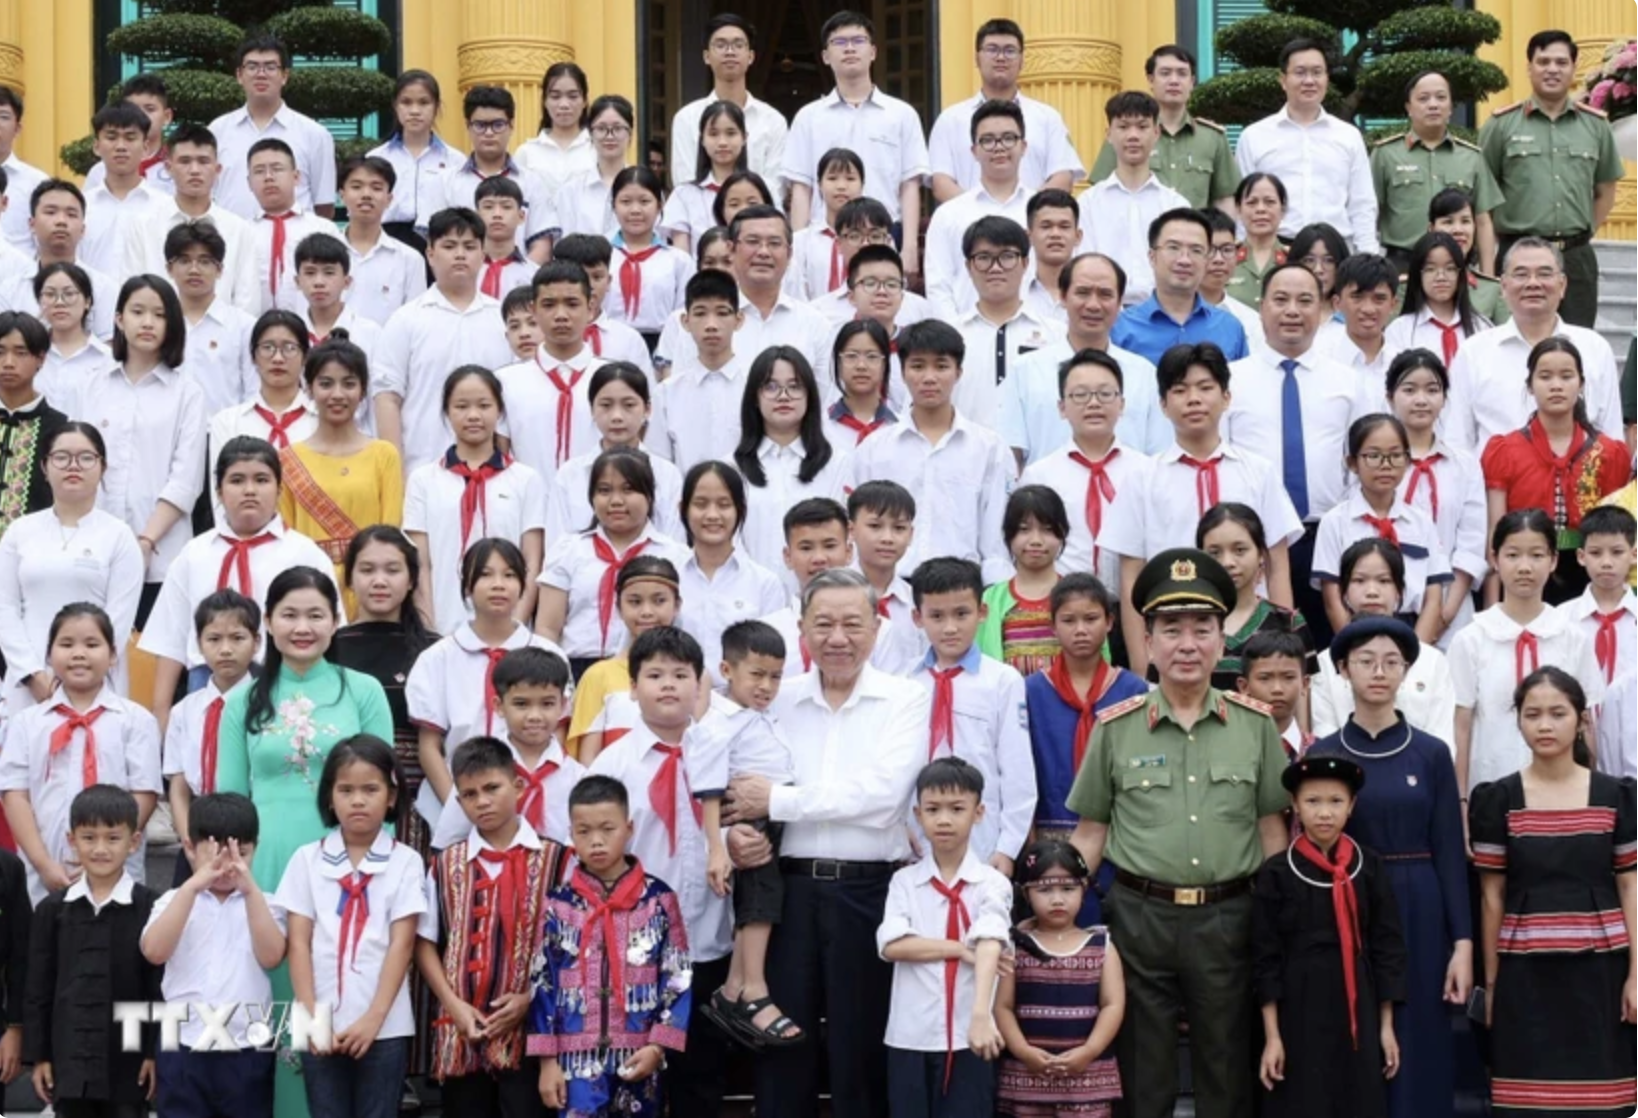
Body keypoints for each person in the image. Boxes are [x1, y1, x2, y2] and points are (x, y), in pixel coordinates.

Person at [1066, 548, 1291, 1118]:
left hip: (1229, 919)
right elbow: (1091, 833)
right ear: (1148, 638)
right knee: (1145, 1073)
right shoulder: (1116, 730)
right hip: (1140, 920)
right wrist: (1058, 909)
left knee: (1226, 1069)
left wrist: (1284, 919)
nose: (1187, 644)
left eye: (1202, 628)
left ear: (1222, 640)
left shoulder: (1255, 726)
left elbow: (1271, 832)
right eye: (1171, 629)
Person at [722, 567, 930, 1116]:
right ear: (802, 629)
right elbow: (736, 784)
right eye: (824, 624)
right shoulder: (775, 698)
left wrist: (780, 801)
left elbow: (883, 797)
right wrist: (735, 831)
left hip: (869, 893)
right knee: (780, 1043)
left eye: (852, 624)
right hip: (784, 895)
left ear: (878, 626)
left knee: (860, 1046)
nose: (838, 638)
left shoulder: (905, 699)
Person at [211, 569, 396, 1118]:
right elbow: (228, 800)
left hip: (342, 870)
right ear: (268, 621)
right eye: (289, 614)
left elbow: (385, 791)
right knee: (272, 1006)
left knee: (331, 998)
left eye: (316, 614)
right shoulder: (243, 700)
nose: (302, 626)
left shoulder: (361, 691)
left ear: (336, 621)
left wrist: (370, 872)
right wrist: (233, 873)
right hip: (265, 868)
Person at [1307, 617, 1473, 1118]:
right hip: (1347, 902)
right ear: (1342, 670)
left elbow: (1448, 849)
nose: (1378, 672)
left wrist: (1462, 943)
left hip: (1419, 901)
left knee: (1420, 1031)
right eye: (1364, 661)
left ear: (1406, 672)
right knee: (1353, 1031)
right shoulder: (1324, 753)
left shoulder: (1431, 754)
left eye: (1391, 662)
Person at [1470, 666, 1637, 1115]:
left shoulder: (1616, 796)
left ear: (1581, 719)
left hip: (1601, 974)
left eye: (1558, 713)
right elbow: (1492, 898)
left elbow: (1629, 885)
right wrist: (1491, 985)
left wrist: (1637, 975)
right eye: (1532, 714)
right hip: (1525, 976)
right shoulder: (1497, 800)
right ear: (1518, 721)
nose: (1544, 725)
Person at [578, 625, 729, 1116]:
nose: (669, 685)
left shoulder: (722, 750)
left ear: (700, 683)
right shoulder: (614, 764)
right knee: (629, 1080)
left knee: (700, 1077)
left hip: (709, 938)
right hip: (635, 952)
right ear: (632, 687)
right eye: (655, 674)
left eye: (681, 674)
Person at [1100, 343, 1303, 678]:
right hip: (1175, 635)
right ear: (1163, 405)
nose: (1193, 399)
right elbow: (1131, 577)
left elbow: (1278, 565)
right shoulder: (1142, 479)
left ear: (1226, 397)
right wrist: (1141, 663)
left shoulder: (1257, 471)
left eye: (1205, 388)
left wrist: (1284, 647)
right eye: (1179, 390)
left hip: (1253, 638)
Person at [1226, 263, 1381, 647]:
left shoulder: (1348, 382)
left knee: (1334, 649)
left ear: (1324, 309)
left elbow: (1366, 459)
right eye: (1280, 300)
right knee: (1262, 652)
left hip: (1327, 535)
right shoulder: (1231, 380)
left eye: (1304, 301)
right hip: (1255, 542)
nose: (1292, 311)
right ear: (1262, 308)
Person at [416, 735, 572, 1118]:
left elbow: (570, 948)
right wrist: (453, 1006)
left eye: (491, 788)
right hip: (462, 1032)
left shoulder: (557, 859)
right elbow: (425, 944)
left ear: (518, 786)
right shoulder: (445, 864)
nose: (482, 801)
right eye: (469, 794)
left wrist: (529, 1000)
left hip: (532, 1034)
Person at [273, 735, 426, 1118]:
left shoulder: (405, 862)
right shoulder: (307, 860)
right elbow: (299, 943)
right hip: (319, 1021)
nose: (358, 800)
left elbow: (401, 946)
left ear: (391, 797)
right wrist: (311, 1015)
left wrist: (374, 1018)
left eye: (370, 789)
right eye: (346, 789)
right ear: (329, 797)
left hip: (385, 1026)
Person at [140, 437, 336, 723]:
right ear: (218, 491)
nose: (249, 490)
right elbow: (172, 640)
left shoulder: (305, 554)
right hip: (205, 683)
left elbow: (329, 634)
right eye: (236, 480)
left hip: (286, 680)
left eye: (261, 480)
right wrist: (161, 713)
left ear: (279, 488)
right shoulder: (194, 554)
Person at [529, 773, 692, 1117]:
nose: (597, 842)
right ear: (571, 834)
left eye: (608, 828)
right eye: (584, 831)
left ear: (629, 828)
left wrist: (658, 1045)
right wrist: (547, 1060)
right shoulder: (559, 903)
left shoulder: (658, 899)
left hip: (639, 1054)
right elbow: (542, 982)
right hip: (575, 1061)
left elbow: (678, 976)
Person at [1253, 754, 1407, 1117]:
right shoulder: (1277, 873)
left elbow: (1388, 947)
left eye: (1336, 801)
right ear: (1294, 805)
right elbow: (1265, 957)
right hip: (1298, 1007)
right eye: (1312, 801)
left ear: (1352, 806)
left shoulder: (1368, 866)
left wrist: (1385, 1027)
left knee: (1358, 1098)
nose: (1325, 813)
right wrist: (1272, 1037)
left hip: (1358, 1005)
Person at [64, 275, 205, 630]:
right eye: (137, 311)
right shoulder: (89, 386)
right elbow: (74, 465)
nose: (147, 322)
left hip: (162, 555)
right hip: (91, 549)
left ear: (171, 324)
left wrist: (145, 541)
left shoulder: (187, 393)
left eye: (159, 314)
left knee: (150, 662)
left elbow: (185, 479)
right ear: (118, 318)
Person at [685, 619, 800, 1048]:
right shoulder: (718, 721)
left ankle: (732, 989)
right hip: (745, 822)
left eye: (775, 676)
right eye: (757, 674)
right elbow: (709, 788)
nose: (767, 685)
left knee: (764, 900)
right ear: (726, 670)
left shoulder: (763, 715)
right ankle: (752, 988)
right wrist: (718, 848)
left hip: (773, 813)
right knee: (760, 902)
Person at [0, 603, 162, 902]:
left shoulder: (136, 720)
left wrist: (105, 854)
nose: (78, 653)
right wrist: (43, 864)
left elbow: (145, 793)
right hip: (44, 873)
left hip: (117, 874)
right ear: (48, 655)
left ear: (113, 655)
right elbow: (15, 795)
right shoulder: (27, 723)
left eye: (92, 644)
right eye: (66, 644)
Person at [877, 757, 1011, 1114]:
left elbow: (989, 941)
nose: (944, 819)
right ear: (918, 814)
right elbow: (893, 946)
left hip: (972, 1034)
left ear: (978, 812)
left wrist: (980, 1015)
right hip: (910, 1034)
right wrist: (957, 948)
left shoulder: (992, 883)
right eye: (933, 809)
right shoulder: (904, 881)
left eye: (957, 808)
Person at [140, 792, 285, 1118]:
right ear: (189, 848)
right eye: (215, 858)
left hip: (246, 1049)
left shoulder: (267, 904)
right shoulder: (172, 901)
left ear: (254, 850)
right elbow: (154, 952)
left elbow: (272, 956)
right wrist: (192, 887)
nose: (228, 868)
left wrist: (250, 891)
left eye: (241, 855)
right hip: (184, 1047)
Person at [21, 785, 161, 1115]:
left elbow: (159, 986)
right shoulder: (52, 911)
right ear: (72, 840)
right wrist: (39, 1055)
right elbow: (37, 989)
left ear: (134, 842)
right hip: (68, 1065)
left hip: (128, 1065)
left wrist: (155, 1053)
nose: (100, 849)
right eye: (89, 837)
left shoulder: (151, 908)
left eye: (113, 838)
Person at [409, 536, 563, 833]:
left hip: (534, 804)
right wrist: (459, 806)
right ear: (467, 585)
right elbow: (429, 746)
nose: (498, 584)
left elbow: (556, 735)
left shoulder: (549, 654)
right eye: (485, 575)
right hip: (460, 804)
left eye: (509, 575)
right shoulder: (437, 658)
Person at [845, 320, 1013, 583]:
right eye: (918, 365)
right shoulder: (874, 449)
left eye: (941, 366)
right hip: (891, 584)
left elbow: (995, 540)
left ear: (959, 372)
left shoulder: (989, 448)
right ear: (902, 371)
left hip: (961, 587)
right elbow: (857, 529)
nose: (929, 377)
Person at [1453, 509, 1603, 798]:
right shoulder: (1471, 639)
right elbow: (1461, 727)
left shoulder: (1573, 637)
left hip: (1564, 794)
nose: (1525, 567)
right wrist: (1460, 801)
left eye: (1536, 555)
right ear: (1494, 560)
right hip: (1490, 789)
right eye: (1513, 555)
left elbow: (1588, 724)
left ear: (1554, 560)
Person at [1481, 30, 1624, 330]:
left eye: (1561, 62)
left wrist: (1578, 234)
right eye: (1543, 61)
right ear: (1529, 67)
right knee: (1514, 343)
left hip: (1574, 258)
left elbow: (1605, 192)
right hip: (1516, 254)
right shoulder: (1501, 124)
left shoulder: (1596, 126)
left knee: (1576, 343)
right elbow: (1484, 196)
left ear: (1573, 68)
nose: (1552, 69)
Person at [908, 558, 1035, 876]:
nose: (950, 627)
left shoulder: (1003, 681)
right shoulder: (904, 682)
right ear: (917, 618)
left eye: (961, 614)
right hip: (915, 845)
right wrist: (901, 834)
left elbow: (1017, 770)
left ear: (982, 612)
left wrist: (1007, 848)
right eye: (936, 616)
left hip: (983, 842)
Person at [1481, 336, 1633, 604]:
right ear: (1529, 385)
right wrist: (1494, 606)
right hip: (1525, 572)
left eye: (1566, 376)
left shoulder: (1609, 453)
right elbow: (1496, 531)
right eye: (1545, 377)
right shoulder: (1504, 450)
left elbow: (1617, 527)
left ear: (1581, 384)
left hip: (1592, 576)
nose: (1556, 386)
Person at [403, 366, 547, 635]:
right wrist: (430, 627)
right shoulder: (423, 480)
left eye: (484, 405)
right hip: (443, 625)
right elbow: (420, 562)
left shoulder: (526, 479)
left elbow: (531, 560)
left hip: (509, 628)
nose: (473, 416)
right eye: (461, 406)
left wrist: (514, 626)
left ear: (499, 411)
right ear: (446, 412)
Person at [783, 9, 927, 276]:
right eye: (839, 42)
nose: (849, 49)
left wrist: (908, 247)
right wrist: (799, 248)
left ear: (873, 52)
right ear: (826, 56)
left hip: (883, 235)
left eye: (858, 41)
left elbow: (910, 185)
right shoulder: (808, 117)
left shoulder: (901, 114)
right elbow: (801, 188)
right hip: (823, 239)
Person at [1447, 238, 1624, 454]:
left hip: (1579, 484)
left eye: (1544, 274)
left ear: (1563, 285)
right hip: (1494, 486)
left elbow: (1612, 439)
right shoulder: (1474, 352)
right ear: (1503, 286)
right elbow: (1458, 440)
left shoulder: (1595, 349)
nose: (1533, 283)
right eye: (1521, 274)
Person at [373, 207, 513, 474]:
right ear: (430, 253)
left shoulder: (502, 320)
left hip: (493, 472)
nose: (460, 254)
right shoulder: (406, 320)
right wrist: (395, 474)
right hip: (421, 468)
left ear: (483, 254)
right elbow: (387, 399)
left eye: (469, 246)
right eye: (449, 245)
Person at [994, 840, 1126, 1117]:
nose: (1057, 899)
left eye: (1068, 889)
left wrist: (1089, 1051)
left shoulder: (1101, 945)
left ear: (1084, 889)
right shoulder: (1014, 945)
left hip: (1087, 1078)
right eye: (1044, 889)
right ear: (1027, 894)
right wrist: (1023, 1051)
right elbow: (1002, 1006)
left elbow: (1113, 1004)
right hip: (1027, 1076)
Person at [1001, 252, 1168, 467]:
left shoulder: (1144, 374)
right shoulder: (1025, 371)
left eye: (1105, 294)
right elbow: (1011, 456)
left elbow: (1158, 456)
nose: (1093, 305)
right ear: (1063, 296)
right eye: (1082, 292)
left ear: (1120, 303)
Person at [331, 527, 439, 854]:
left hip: (420, 793)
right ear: (349, 579)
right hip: (348, 788)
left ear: (411, 580)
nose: (380, 581)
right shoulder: (328, 649)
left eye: (392, 570)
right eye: (367, 570)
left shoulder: (436, 651)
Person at [534, 449, 689, 674]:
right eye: (604, 491)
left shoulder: (675, 555)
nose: (616, 501)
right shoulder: (569, 550)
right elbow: (547, 628)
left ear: (649, 495)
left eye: (628, 489)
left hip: (651, 669)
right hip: (577, 669)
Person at [277, 333, 401, 595]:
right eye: (325, 384)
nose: (337, 394)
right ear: (309, 388)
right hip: (310, 591)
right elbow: (285, 542)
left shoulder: (384, 455)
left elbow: (392, 533)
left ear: (363, 390)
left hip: (372, 590)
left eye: (348, 383)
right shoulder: (288, 460)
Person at [1019, 349, 1149, 596]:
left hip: (1134, 602)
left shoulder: (1146, 471)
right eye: (1080, 395)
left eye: (1105, 393)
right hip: (1064, 604)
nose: (1093, 403)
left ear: (1122, 404)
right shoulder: (1040, 476)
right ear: (1062, 407)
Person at [1314, 414, 1451, 642]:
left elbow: (1433, 598)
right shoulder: (1335, 522)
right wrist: (1355, 648)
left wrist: (1415, 653)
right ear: (1352, 463)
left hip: (1411, 629)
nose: (1386, 465)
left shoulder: (1421, 521)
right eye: (1374, 456)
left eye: (1396, 455)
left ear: (1408, 461)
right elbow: (1332, 599)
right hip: (1354, 630)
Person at [1236, 39, 1380, 254]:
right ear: (1283, 80)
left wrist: (1368, 256)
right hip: (1277, 251)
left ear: (1326, 79)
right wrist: (1242, 253)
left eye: (1317, 72)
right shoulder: (1254, 137)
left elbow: (1362, 203)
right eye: (1300, 72)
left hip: (1336, 251)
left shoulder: (1348, 136)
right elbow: (1241, 204)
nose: (1309, 80)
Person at [1310, 538, 1459, 746]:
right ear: (1344, 592)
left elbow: (1442, 741)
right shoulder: (1325, 663)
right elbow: (1324, 735)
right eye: (1359, 581)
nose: (1372, 591)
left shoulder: (1432, 661)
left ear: (1399, 591)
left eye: (1384, 581)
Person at [657, 206, 832, 380]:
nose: (763, 252)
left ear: (789, 253)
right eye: (752, 241)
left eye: (774, 243)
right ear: (731, 249)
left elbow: (824, 400)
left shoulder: (815, 325)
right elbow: (682, 395)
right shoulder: (701, 323)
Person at [1387, 349, 1487, 644]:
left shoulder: (1464, 463)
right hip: (1386, 599)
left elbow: (1471, 541)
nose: (1421, 399)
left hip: (1451, 604)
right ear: (1390, 395)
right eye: (1409, 389)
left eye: (1432, 390)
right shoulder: (1376, 459)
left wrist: (1445, 613)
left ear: (1444, 398)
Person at [159, 589, 259, 869]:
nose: (225, 649)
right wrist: (189, 843)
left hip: (251, 823)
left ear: (257, 642)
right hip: (199, 827)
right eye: (214, 639)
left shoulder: (269, 705)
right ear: (199, 644)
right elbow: (178, 788)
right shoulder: (184, 711)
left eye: (238, 638)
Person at [928, 19, 1080, 202]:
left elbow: (1062, 177)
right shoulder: (950, 119)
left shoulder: (1048, 117)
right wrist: (976, 215)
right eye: (992, 49)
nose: (1001, 58)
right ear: (977, 58)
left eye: (1010, 51)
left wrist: (1027, 213)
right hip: (970, 227)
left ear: (1022, 60)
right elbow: (941, 182)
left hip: (1029, 226)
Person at [1371, 69, 1502, 274]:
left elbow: (1483, 221)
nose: (1433, 104)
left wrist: (1488, 276)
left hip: (1458, 267)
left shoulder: (1472, 157)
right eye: (1423, 98)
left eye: (1441, 97)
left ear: (1451, 107)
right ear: (1409, 107)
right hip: (1402, 266)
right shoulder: (1385, 155)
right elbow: (1370, 214)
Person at [120, 123, 260, 314]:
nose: (194, 170)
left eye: (203, 161)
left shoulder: (239, 230)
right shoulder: (143, 226)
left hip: (223, 340)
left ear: (217, 169)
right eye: (185, 161)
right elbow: (132, 295)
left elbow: (247, 304)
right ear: (168, 168)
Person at [735, 347, 849, 572]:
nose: (783, 396)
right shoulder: (731, 467)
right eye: (771, 387)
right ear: (754, 398)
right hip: (750, 597)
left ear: (810, 396)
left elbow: (842, 537)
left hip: (821, 591)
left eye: (795, 386)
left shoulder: (837, 464)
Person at [492, 261, 603, 487]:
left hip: (597, 513)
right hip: (529, 513)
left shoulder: (610, 378)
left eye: (572, 304)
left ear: (590, 308)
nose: (561, 315)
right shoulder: (505, 382)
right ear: (534, 309)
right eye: (549, 304)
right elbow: (499, 458)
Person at [951, 216, 1067, 431]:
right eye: (983, 257)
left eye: (1007, 256)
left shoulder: (1057, 335)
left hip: (1036, 459)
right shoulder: (950, 336)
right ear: (968, 266)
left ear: (1025, 263)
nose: (995, 268)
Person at [566, 556, 684, 763]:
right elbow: (587, 762)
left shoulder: (694, 673)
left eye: (659, 601)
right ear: (619, 607)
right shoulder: (598, 675)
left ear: (677, 605)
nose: (647, 612)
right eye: (635, 602)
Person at [550, 362, 682, 544]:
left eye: (629, 405)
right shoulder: (570, 474)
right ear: (592, 409)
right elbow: (557, 548)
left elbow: (675, 543)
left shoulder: (667, 474)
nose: (617, 416)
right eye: (606, 405)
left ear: (647, 409)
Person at [208, 33, 335, 221]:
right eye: (252, 66)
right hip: (232, 244)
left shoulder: (314, 134)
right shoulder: (217, 131)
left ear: (284, 76)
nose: (261, 74)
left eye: (270, 67)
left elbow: (324, 206)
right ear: (239, 75)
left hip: (296, 246)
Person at [1078, 93, 1189, 307]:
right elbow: (1084, 264)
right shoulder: (1088, 203)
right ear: (1108, 134)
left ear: (1156, 133)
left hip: (1162, 312)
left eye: (1142, 126)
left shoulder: (1176, 205)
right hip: (1104, 311)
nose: (1133, 136)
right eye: (1123, 127)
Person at [924, 102, 1033, 317]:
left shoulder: (1042, 212)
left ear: (1023, 146)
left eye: (1009, 138)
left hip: (1035, 337)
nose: (999, 147)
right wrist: (956, 339)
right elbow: (938, 288)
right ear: (974, 151)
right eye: (988, 140)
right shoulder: (949, 214)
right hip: (966, 337)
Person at [1197, 502, 1317, 696]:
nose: (1228, 562)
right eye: (1214, 553)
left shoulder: (1289, 623)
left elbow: (1301, 704)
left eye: (1240, 550)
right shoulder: (1184, 622)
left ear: (1261, 554)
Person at [677, 461, 787, 674]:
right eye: (700, 504)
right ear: (683, 509)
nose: (712, 515)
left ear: (740, 510)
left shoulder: (764, 583)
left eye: (724, 504)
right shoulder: (670, 577)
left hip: (742, 702)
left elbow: (772, 659)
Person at [1109, 206, 1251, 367]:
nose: (1184, 260)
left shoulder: (1230, 327)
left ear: (1206, 259)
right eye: (1173, 248)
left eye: (1196, 250)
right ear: (1152, 256)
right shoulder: (1121, 327)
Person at [669, 15, 788, 194]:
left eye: (738, 45)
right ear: (706, 56)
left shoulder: (773, 120)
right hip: (701, 220)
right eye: (721, 45)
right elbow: (684, 183)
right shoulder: (687, 118)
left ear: (751, 56)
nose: (730, 52)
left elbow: (776, 187)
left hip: (757, 218)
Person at [647, 269, 747, 471]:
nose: (711, 325)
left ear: (739, 320)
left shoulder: (756, 388)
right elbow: (659, 467)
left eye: (722, 313)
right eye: (700, 313)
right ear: (685, 322)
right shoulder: (667, 394)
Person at [440, 87, 554, 260]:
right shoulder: (445, 181)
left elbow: (542, 244)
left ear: (511, 126)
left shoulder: (532, 182)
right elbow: (434, 241)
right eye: (480, 125)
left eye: (498, 125)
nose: (489, 133)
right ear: (467, 126)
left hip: (521, 284)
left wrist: (518, 280)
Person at [160, 222, 259, 418]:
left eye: (205, 261)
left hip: (224, 436)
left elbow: (254, 392)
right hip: (166, 435)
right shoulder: (158, 323)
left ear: (220, 269)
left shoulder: (243, 326)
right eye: (184, 260)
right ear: (170, 268)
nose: (194, 270)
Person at [240, 138, 343, 316]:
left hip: (310, 330)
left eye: (277, 169)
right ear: (249, 182)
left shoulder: (324, 230)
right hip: (253, 331)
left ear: (296, 177)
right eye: (259, 171)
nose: (268, 177)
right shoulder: (241, 232)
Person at [206, 310, 314, 477]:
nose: (278, 358)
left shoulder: (324, 421)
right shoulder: (227, 423)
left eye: (289, 348)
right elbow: (220, 496)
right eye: (267, 347)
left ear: (305, 357)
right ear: (253, 356)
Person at [756, 496, 854, 677]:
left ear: (848, 552)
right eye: (806, 548)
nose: (819, 558)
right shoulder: (766, 632)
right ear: (787, 556)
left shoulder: (875, 629)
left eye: (829, 546)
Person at [367, 70, 465, 249]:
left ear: (436, 107)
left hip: (438, 242)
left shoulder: (455, 160)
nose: (414, 111)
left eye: (424, 103)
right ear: (395, 106)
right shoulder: (376, 158)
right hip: (386, 241)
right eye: (406, 102)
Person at [8, 180, 118, 339]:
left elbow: (108, 350)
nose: (61, 221)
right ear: (31, 224)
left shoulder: (104, 289)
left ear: (83, 229)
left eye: (71, 214)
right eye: (51, 212)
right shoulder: (10, 290)